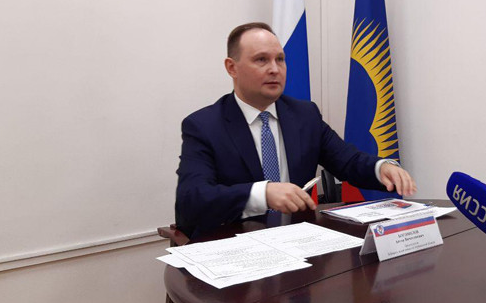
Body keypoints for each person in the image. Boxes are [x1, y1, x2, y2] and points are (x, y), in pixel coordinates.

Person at [175, 22, 416, 238]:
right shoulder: (204, 126)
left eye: (280, 59)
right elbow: (191, 199)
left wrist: (381, 168)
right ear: (232, 68)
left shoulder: (304, 115)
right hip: (235, 246)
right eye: (261, 60)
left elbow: (348, 160)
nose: (275, 69)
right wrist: (263, 193)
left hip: (298, 241)